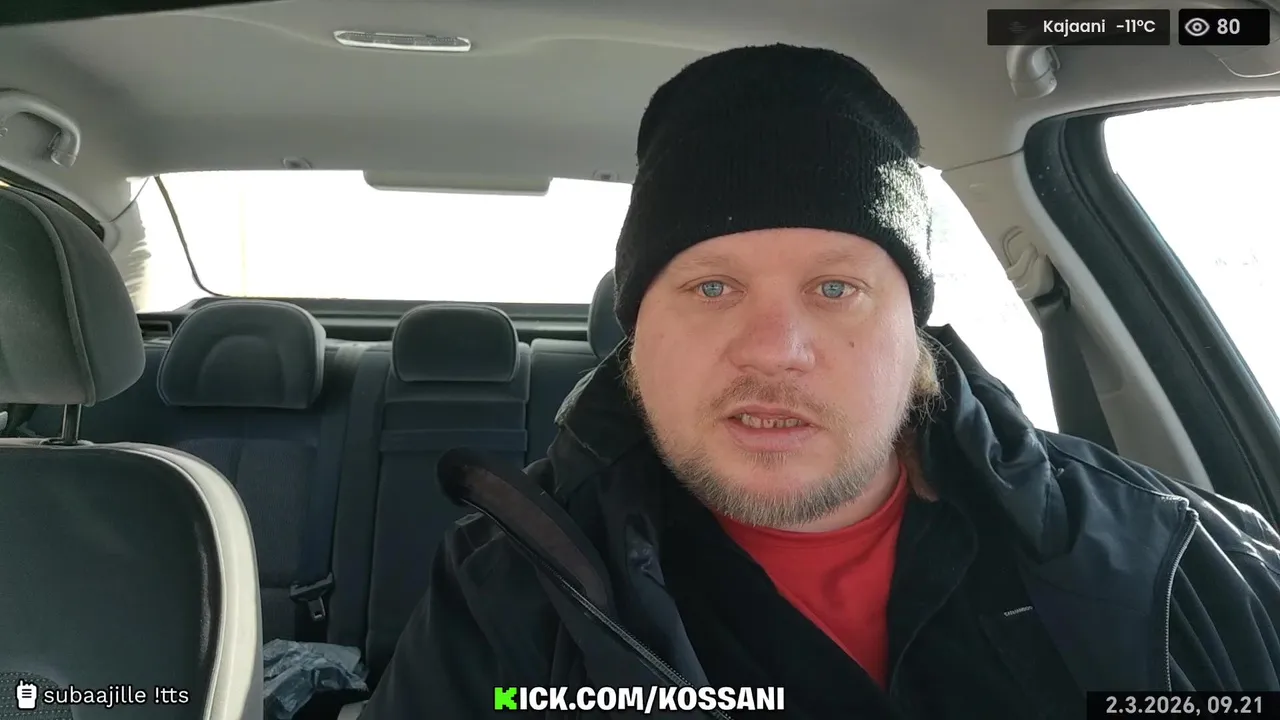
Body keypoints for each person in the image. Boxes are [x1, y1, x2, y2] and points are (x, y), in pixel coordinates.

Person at [360, 44, 1280, 719]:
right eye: (711, 287)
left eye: (836, 288)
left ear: (914, 336)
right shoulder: (512, 596)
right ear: (636, 338)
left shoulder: (1164, 554)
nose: (775, 350)